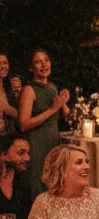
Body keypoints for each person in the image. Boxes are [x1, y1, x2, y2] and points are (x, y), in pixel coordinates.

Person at [18, 49, 69, 197]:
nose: (44, 65)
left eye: (46, 60)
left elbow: (66, 115)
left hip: (53, 143)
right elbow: (23, 124)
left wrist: (63, 101)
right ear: (30, 68)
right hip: (37, 145)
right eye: (38, 62)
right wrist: (53, 109)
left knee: (55, 189)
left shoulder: (52, 87)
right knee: (39, 190)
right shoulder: (29, 90)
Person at [0, 134, 33, 219]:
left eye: (28, 153)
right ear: (3, 155)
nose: (27, 158)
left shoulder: (24, 185)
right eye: (21, 153)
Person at [0, 55, 21, 135]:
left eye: (5, 63)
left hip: (9, 134)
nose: (2, 66)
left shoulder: (8, 88)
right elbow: (6, 109)